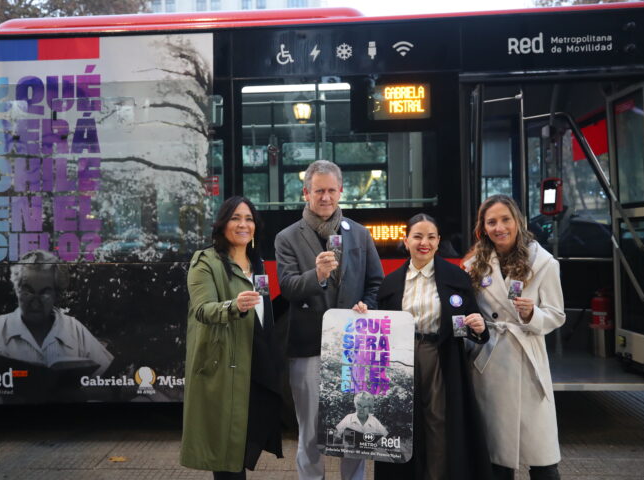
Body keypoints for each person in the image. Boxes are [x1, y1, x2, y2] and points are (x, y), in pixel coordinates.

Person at [275, 160, 383, 480]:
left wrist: (367, 304)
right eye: (319, 190)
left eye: (331, 190)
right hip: (308, 347)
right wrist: (318, 275)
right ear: (306, 193)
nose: (325, 197)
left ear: (341, 192)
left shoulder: (359, 234)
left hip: (354, 347)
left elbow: (375, 282)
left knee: (355, 430)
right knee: (310, 431)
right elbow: (288, 288)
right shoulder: (287, 237)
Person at [374, 213, 492, 480]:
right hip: (400, 359)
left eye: (430, 237)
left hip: (438, 354)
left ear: (439, 241)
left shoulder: (456, 277)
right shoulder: (390, 282)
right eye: (417, 236)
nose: (424, 243)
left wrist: (479, 327)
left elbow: (473, 321)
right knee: (400, 421)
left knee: (438, 419)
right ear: (406, 241)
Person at [180, 196, 283, 480]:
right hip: (225, 366)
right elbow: (202, 310)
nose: (243, 224)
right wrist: (233, 306)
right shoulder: (205, 261)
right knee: (227, 452)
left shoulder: (257, 263)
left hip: (256, 361)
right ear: (222, 224)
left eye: (249, 219)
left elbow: (264, 312)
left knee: (245, 441)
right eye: (235, 218)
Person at [465, 194, 565, 480]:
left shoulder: (544, 263)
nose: (499, 228)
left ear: (518, 221)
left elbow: (557, 315)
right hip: (491, 362)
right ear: (483, 227)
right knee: (497, 456)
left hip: (528, 361)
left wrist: (532, 314)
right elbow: (469, 313)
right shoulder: (474, 265)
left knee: (543, 458)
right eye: (491, 222)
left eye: (505, 220)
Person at [0, 249, 113, 376]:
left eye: (45, 292)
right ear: (18, 291)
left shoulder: (74, 329)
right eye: (28, 291)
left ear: (56, 295)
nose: (35, 302)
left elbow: (108, 381)